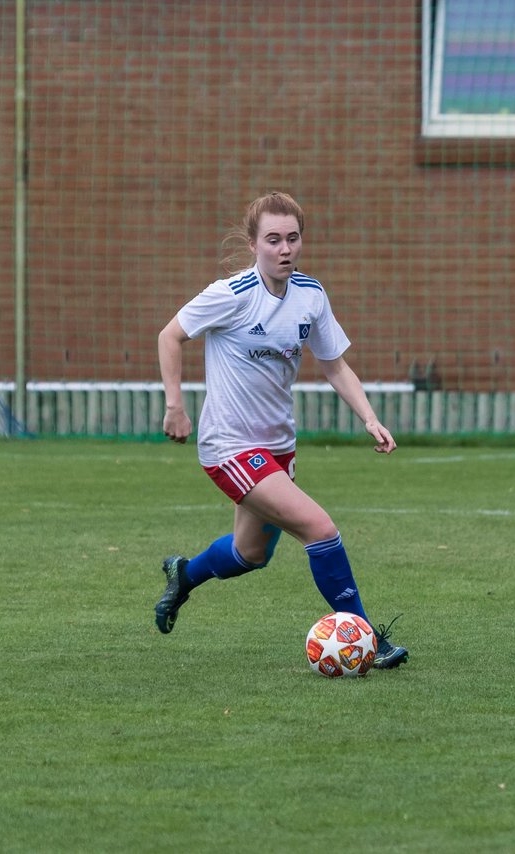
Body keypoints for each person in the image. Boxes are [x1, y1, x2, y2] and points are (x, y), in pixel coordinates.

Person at [155, 191, 407, 669]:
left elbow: (335, 366)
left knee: (249, 555)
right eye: (273, 239)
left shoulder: (310, 295)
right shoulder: (230, 295)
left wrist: (369, 418)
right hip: (228, 446)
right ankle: (367, 639)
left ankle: (184, 574)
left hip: (277, 449)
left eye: (293, 238)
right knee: (319, 528)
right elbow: (170, 335)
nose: (284, 248)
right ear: (254, 244)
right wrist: (175, 406)